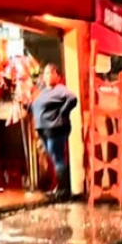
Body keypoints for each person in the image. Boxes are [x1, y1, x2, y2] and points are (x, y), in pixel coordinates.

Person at [30, 64, 77, 199]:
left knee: (58, 158)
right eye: (45, 73)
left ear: (57, 76)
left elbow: (72, 98)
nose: (48, 76)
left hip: (55, 128)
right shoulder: (43, 91)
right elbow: (36, 106)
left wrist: (62, 112)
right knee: (54, 158)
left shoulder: (60, 89)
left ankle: (64, 191)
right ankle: (60, 188)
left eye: (51, 73)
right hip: (44, 128)